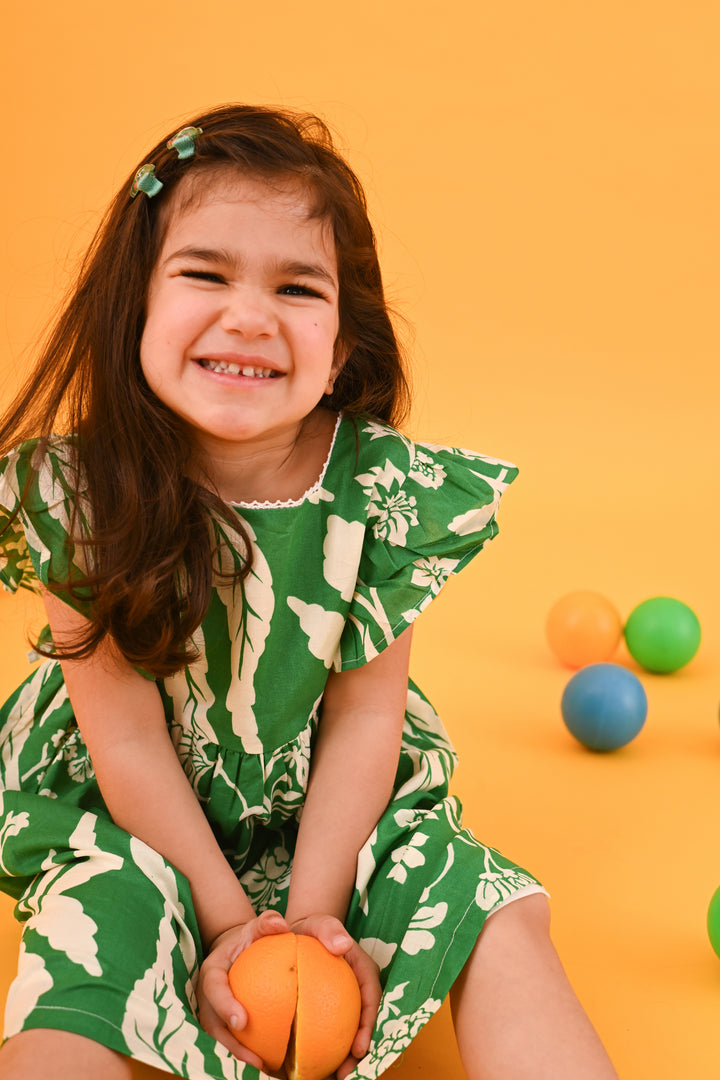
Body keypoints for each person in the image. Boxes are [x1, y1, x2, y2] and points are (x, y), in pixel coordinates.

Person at [0, 105, 618, 1080]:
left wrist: (319, 915)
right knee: (90, 942)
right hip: (138, 805)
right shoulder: (81, 498)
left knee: (487, 904)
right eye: (205, 273)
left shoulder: (379, 492)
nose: (250, 315)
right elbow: (122, 738)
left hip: (330, 790)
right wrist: (227, 921)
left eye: (297, 287)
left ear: (340, 349)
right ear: (133, 313)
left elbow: (369, 721)